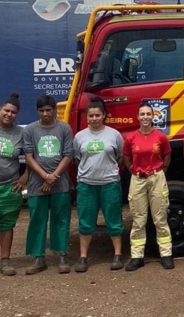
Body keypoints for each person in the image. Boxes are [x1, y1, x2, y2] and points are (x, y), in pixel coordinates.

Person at [23, 95, 74, 275]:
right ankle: (38, 258)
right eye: (42, 110)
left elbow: (68, 154)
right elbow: (29, 157)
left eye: (48, 110)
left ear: (53, 110)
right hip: (37, 184)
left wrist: (54, 176)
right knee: (37, 219)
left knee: (61, 219)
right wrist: (45, 176)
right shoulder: (30, 130)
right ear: (37, 111)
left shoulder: (64, 128)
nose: (45, 113)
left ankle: (62, 256)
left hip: (60, 184)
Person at [73, 98, 125, 272]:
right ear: (87, 117)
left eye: (97, 115)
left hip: (109, 183)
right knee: (86, 222)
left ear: (104, 115)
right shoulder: (79, 136)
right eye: (91, 115)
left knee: (114, 220)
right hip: (86, 185)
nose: (94, 118)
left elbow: (121, 157)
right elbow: (76, 159)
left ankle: (117, 255)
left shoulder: (114, 135)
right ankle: (83, 257)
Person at [123, 103, 174, 271]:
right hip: (138, 179)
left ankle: (166, 254)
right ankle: (137, 257)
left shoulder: (160, 137)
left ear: (153, 116)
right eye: (142, 114)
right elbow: (127, 158)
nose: (145, 117)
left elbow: (166, 156)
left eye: (148, 114)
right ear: (137, 117)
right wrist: (135, 172)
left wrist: (160, 172)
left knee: (160, 218)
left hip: (156, 178)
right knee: (139, 220)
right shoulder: (130, 138)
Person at [0, 93, 28, 276]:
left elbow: (32, 157)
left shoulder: (21, 133)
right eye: (6, 110)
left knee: (7, 225)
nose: (9, 114)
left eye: (13, 112)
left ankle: (5, 262)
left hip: (10, 186)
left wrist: (26, 176)